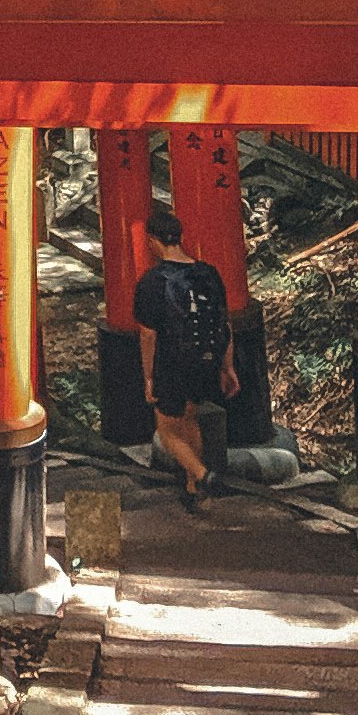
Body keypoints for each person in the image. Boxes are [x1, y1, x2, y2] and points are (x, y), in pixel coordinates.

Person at [133, 201, 237, 518]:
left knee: (166, 430)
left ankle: (204, 475)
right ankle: (193, 490)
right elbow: (224, 323)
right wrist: (227, 366)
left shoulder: (153, 282)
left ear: (153, 241)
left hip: (172, 362)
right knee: (189, 418)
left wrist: (149, 377)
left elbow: (148, 335)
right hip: (206, 360)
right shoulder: (208, 273)